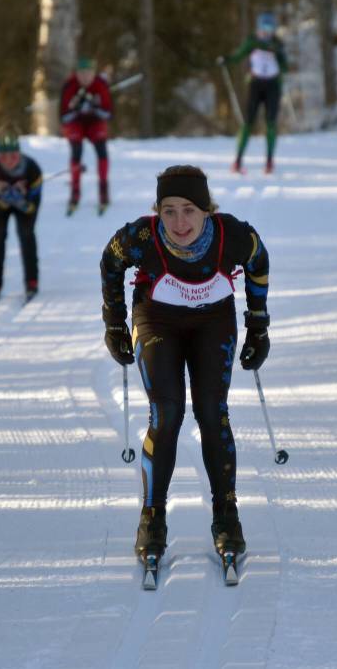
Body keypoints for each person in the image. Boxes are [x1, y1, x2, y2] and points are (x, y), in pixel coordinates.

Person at [99, 165, 272, 562]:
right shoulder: (140, 237)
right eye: (169, 210)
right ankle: (152, 517)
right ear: (157, 211)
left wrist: (258, 325)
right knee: (167, 412)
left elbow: (259, 263)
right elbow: (110, 263)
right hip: (157, 319)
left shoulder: (233, 235)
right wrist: (114, 323)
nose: (179, 222)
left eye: (190, 210)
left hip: (213, 320)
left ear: (207, 210)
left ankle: (226, 515)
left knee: (213, 412)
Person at [0, 123, 43, 306]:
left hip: (24, 205)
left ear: (19, 153)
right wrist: (4, 199)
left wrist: (21, 200)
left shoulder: (32, 170)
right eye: (3, 156)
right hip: (0, 205)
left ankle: (32, 281)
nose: (8, 160)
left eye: (13, 155)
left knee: (26, 233)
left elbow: (33, 209)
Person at [218, 12, 288, 174]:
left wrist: (278, 55)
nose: (267, 32)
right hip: (256, 85)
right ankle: (238, 161)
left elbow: (285, 67)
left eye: (270, 28)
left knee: (271, 122)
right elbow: (238, 56)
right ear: (258, 27)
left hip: (273, 86)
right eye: (264, 27)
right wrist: (226, 60)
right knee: (247, 123)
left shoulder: (277, 44)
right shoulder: (252, 41)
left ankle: (269, 162)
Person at [60, 57, 113, 216]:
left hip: (95, 122)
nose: (85, 77)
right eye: (81, 74)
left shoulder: (100, 85)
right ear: (76, 74)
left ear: (94, 73)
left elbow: (108, 114)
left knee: (101, 150)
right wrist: (76, 108)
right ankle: (75, 191)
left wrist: (94, 107)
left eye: (88, 73)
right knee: (76, 150)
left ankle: (103, 190)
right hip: (76, 123)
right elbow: (63, 117)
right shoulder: (70, 86)